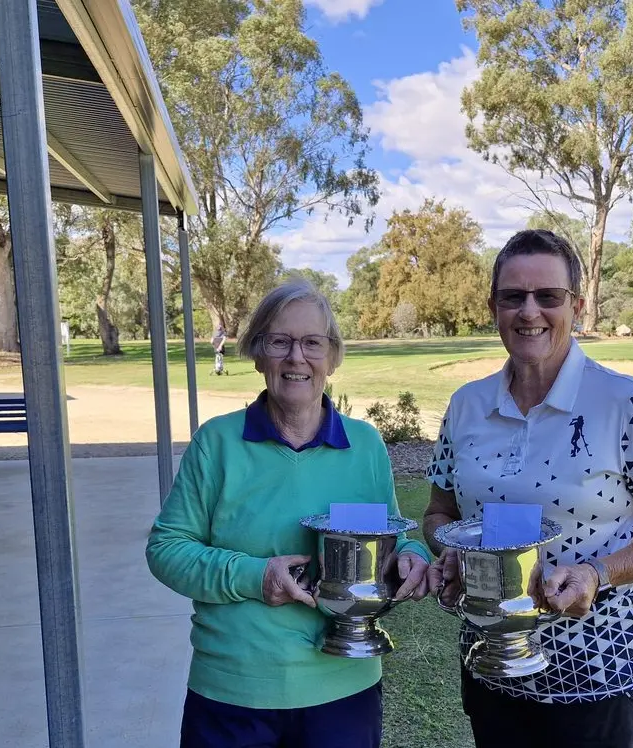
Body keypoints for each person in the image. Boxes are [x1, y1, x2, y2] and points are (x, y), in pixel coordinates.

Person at [423, 229, 633, 748]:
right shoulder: (466, 405)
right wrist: (451, 557)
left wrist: (599, 573)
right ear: (494, 307)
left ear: (574, 305)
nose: (529, 312)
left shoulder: (629, 403)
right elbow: (439, 514)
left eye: (547, 296)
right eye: (513, 297)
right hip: (491, 663)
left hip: (601, 672)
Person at [147, 280, 432, 748]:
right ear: (258, 354)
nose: (296, 358)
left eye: (312, 343)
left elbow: (390, 535)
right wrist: (256, 576)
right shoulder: (216, 443)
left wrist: (412, 555)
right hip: (233, 691)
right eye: (279, 341)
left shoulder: (365, 445)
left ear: (333, 357)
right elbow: (166, 549)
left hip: (344, 687)